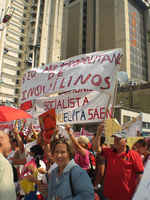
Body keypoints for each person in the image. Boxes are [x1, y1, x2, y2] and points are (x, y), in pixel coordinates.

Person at [95, 124, 144, 200]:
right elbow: (96, 149)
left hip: (126, 196)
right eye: (115, 138)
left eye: (119, 139)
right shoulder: (109, 151)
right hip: (109, 195)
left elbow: (140, 175)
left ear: (126, 141)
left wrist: (140, 193)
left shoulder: (134, 155)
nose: (116, 141)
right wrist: (98, 134)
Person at [0, 130, 16, 200]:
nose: (10, 145)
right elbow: (7, 196)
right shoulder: (4, 165)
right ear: (1, 140)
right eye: (9, 142)